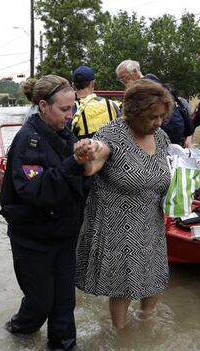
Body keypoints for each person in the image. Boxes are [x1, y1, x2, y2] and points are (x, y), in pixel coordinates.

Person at [0, 75, 94, 351]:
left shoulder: (66, 135)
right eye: (64, 109)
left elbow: (78, 184)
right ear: (43, 106)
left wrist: (90, 163)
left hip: (64, 234)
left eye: (73, 108)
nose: (71, 114)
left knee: (64, 302)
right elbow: (36, 191)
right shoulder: (27, 141)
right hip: (33, 238)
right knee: (41, 301)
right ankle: (18, 332)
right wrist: (74, 163)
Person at [75, 79, 173, 329]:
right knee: (124, 284)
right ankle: (120, 335)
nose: (158, 122)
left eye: (161, 116)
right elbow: (94, 162)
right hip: (118, 226)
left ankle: (146, 323)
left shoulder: (161, 137)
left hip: (151, 221)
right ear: (135, 113)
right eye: (153, 117)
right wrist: (87, 155)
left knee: (155, 277)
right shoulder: (111, 134)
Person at [115, 59, 192, 146]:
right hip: (174, 129)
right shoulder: (155, 82)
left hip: (164, 132)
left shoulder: (142, 89)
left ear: (135, 71)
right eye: (121, 80)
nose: (124, 82)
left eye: (124, 78)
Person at [70, 65, 121, 139]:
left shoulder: (70, 110)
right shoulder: (111, 105)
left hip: (85, 149)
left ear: (73, 86)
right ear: (93, 83)